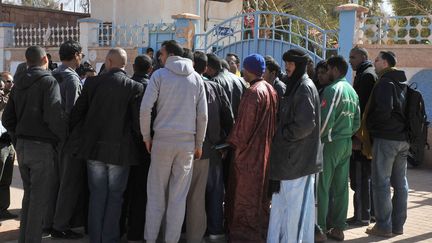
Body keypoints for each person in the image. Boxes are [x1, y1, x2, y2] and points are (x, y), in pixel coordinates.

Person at [69, 48, 144, 242]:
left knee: (97, 195)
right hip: (120, 152)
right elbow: (137, 123)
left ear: (108, 62)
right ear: (124, 64)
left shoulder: (92, 83)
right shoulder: (134, 87)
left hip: (94, 149)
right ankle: (109, 237)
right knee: (115, 197)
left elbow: (77, 113)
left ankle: (96, 237)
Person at [140, 40, 208, 243]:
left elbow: (145, 109)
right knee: (178, 198)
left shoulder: (159, 75)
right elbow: (202, 116)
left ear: (168, 54)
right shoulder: (197, 79)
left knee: (156, 195)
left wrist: (146, 137)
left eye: (160, 54)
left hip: (161, 141)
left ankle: (150, 239)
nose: (159, 58)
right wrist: (199, 144)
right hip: (186, 145)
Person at [2, 45, 67, 243]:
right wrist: (61, 138)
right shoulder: (49, 82)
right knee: (39, 200)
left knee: (30, 197)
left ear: (27, 61)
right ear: (45, 60)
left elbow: (7, 119)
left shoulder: (18, 82)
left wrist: (18, 136)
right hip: (41, 147)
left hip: (22, 146)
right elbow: (54, 117)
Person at [267, 49, 321, 243]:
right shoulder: (295, 85)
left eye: (290, 63)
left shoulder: (304, 86)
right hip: (287, 162)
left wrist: (281, 135)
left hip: (298, 162)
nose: (287, 67)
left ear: (299, 65)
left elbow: (305, 124)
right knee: (282, 210)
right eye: (286, 63)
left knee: (296, 215)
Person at [225, 53, 278, 243]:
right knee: (260, 199)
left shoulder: (253, 92)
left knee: (244, 199)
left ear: (248, 70)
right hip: (263, 153)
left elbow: (243, 129)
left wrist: (229, 145)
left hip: (248, 157)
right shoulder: (270, 89)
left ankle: (243, 236)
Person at [183, 51, 234, 243]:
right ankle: (214, 232)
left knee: (188, 194)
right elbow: (228, 118)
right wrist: (223, 144)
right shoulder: (214, 87)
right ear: (206, 68)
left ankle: (189, 232)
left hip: (186, 148)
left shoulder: (182, 86)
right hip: (211, 148)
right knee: (213, 192)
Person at [317, 55, 360, 241]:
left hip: (330, 143)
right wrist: (346, 134)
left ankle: (319, 229)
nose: (325, 73)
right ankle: (339, 228)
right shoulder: (352, 91)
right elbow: (357, 121)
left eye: (327, 70)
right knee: (342, 187)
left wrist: (319, 138)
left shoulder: (332, 90)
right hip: (346, 143)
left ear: (334, 69)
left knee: (322, 186)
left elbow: (325, 121)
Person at [365, 51, 409, 237]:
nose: (373, 63)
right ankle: (397, 226)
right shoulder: (402, 82)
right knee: (401, 184)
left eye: (376, 60)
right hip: (403, 139)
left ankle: (383, 226)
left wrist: (372, 129)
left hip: (387, 139)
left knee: (381, 182)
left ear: (384, 62)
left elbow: (383, 110)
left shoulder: (384, 82)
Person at [49, 40, 86, 239]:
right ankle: (61, 224)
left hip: (53, 138)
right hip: (68, 139)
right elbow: (73, 113)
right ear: (76, 55)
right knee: (68, 184)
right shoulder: (71, 79)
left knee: (55, 182)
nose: (82, 58)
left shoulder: (53, 75)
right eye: (81, 54)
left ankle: (49, 221)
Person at [121, 54, 152, 242]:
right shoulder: (152, 87)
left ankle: (119, 228)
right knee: (141, 191)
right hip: (145, 146)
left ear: (133, 66)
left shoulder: (126, 85)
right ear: (150, 69)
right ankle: (136, 231)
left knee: (124, 189)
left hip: (125, 144)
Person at [347, 47, 377, 226]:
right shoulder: (367, 73)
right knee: (366, 176)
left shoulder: (366, 76)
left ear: (363, 57)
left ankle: (361, 216)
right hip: (368, 135)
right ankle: (370, 213)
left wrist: (358, 136)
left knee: (360, 176)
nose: (350, 60)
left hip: (362, 136)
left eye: (353, 57)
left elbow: (361, 110)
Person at [206, 53, 245, 119]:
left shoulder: (214, 81)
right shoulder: (240, 80)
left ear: (209, 68)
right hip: (238, 123)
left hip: (223, 125)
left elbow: (213, 109)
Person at [0, 72, 17, 220]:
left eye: (11, 81)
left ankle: (3, 209)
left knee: (6, 181)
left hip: (9, 143)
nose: (10, 84)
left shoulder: (11, 100)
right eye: (7, 81)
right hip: (0, 143)